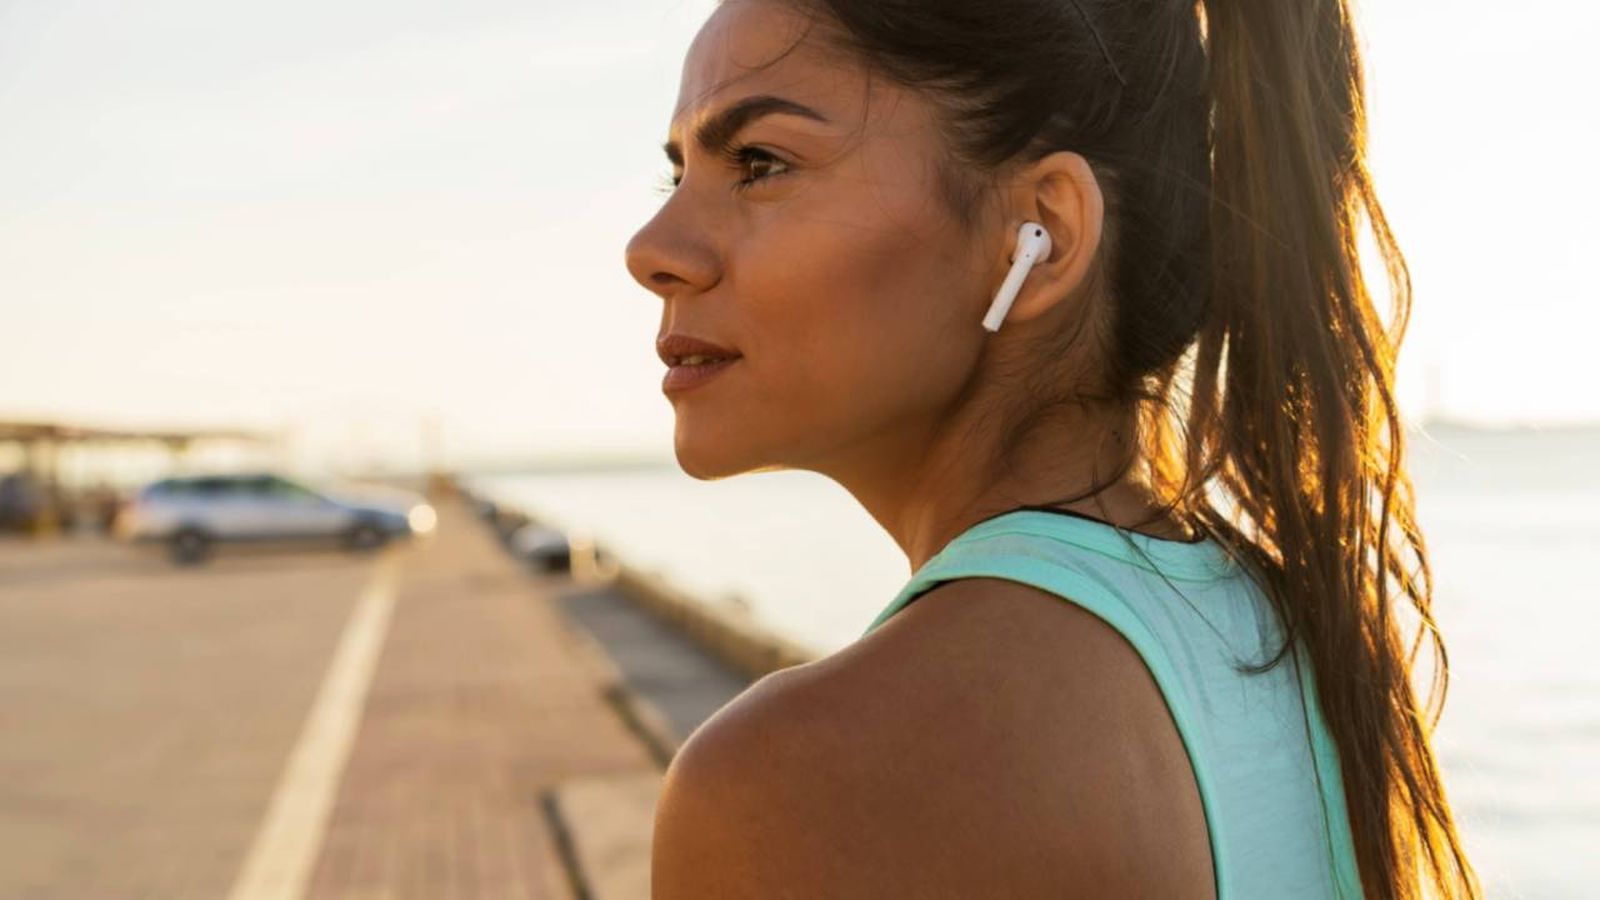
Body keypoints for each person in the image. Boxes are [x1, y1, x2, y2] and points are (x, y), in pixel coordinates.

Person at [624, 0, 1481, 897]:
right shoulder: (1287, 631)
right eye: (676, 176)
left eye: (759, 163)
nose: (652, 251)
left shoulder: (796, 781)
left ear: (1041, 237)